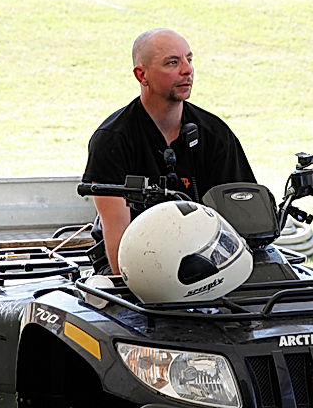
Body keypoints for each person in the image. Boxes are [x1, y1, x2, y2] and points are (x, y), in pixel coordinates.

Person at [82, 28, 255, 274]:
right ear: (142, 75)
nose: (187, 70)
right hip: (137, 261)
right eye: (172, 63)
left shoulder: (214, 133)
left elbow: (241, 216)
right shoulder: (112, 140)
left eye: (189, 59)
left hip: (205, 260)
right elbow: (119, 252)